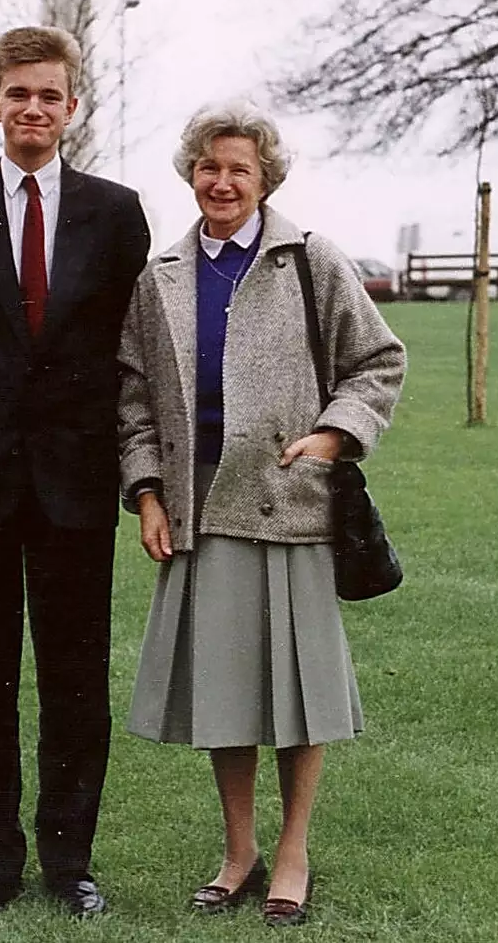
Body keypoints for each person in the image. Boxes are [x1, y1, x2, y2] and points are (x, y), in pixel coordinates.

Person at [117, 103, 406, 927]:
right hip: (199, 511)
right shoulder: (160, 276)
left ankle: (292, 853)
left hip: (288, 507)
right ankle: (239, 850)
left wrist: (333, 436)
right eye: (210, 167)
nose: (223, 182)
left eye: (240, 169)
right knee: (226, 691)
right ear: (191, 174)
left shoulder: (310, 260)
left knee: (299, 693)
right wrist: (146, 491)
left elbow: (378, 361)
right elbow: (133, 397)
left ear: (265, 178)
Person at [0, 26, 151, 918]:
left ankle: (68, 860)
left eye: (50, 96)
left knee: (74, 679)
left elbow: (132, 350)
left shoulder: (116, 211)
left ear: (71, 108)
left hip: (74, 486)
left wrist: (135, 475)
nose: (34, 110)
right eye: (19, 95)